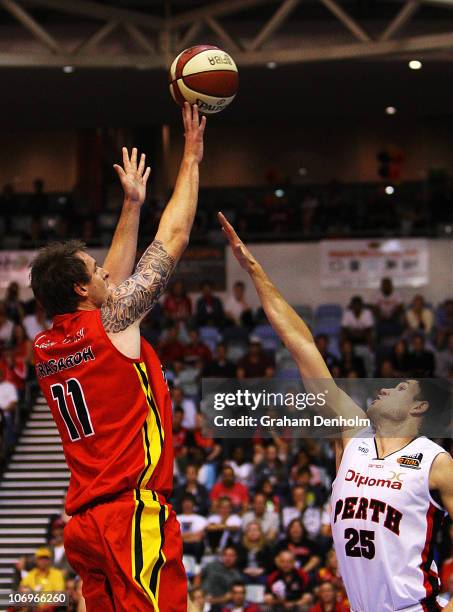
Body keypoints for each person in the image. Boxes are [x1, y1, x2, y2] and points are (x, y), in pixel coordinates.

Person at [218, 212, 453, 612]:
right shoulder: (355, 434)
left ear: (419, 406)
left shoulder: (437, 462)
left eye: (398, 387)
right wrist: (255, 270)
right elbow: (301, 346)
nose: (383, 387)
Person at [30, 103, 206, 611]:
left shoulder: (46, 346)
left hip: (84, 525)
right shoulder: (113, 321)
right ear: (84, 290)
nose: (109, 275)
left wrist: (131, 206)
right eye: (97, 273)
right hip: (129, 515)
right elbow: (172, 238)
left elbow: (108, 277)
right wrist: (191, 156)